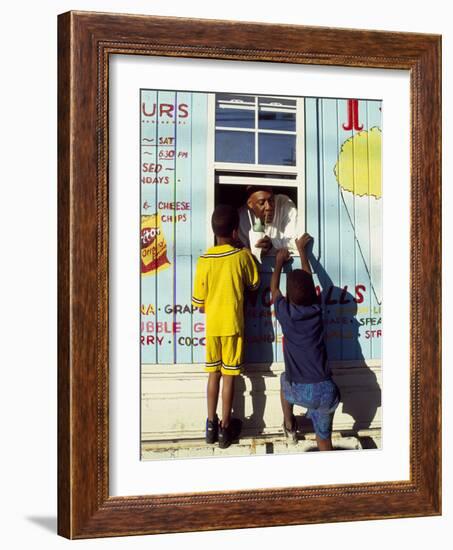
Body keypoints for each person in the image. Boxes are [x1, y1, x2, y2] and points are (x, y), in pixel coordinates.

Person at [192, 204, 260, 448]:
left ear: (213, 232)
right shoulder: (241, 257)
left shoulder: (203, 260)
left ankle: (210, 424)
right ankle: (225, 429)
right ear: (235, 232)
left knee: (214, 374)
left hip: (212, 328)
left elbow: (199, 304)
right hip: (233, 326)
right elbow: (254, 284)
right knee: (230, 377)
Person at [270, 233, 340, 451]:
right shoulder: (318, 309)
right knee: (324, 439)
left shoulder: (286, 314)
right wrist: (302, 251)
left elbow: (274, 291)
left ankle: (290, 425)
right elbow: (308, 278)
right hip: (327, 390)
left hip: (302, 392)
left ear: (289, 297)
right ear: (313, 293)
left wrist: (278, 263)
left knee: (283, 380)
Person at [238, 186, 298, 258]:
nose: (269, 207)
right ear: (250, 204)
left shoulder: (284, 204)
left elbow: (296, 241)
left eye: (271, 200)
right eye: (261, 203)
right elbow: (240, 251)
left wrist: (273, 244)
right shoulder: (241, 217)